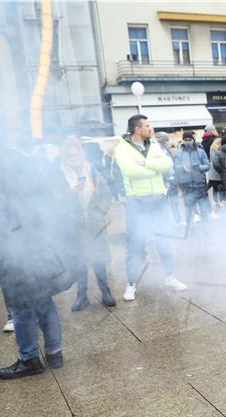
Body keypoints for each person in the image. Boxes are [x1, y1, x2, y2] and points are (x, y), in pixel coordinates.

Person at [0, 132, 81, 378]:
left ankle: (29, 359)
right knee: (43, 299)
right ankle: (54, 353)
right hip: (38, 243)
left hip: (12, 248)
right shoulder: (25, 163)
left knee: (20, 306)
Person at [115, 114, 187, 301]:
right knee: (135, 245)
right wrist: (154, 168)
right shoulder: (122, 148)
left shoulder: (153, 144)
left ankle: (170, 277)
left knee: (165, 241)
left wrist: (146, 163)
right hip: (137, 202)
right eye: (147, 125)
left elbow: (167, 164)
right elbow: (130, 171)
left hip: (158, 199)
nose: (151, 128)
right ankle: (131, 284)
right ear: (138, 129)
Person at [58, 137, 116, 312]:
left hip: (94, 223)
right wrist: (70, 193)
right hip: (73, 225)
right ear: (64, 157)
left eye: (76, 155)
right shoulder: (59, 175)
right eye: (70, 155)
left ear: (81, 155)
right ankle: (82, 295)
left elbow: (105, 193)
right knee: (79, 261)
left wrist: (99, 211)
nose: (73, 158)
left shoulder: (91, 170)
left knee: (99, 257)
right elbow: (54, 200)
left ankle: (105, 290)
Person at [174, 131, 212, 223]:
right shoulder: (179, 153)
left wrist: (199, 167)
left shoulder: (200, 152)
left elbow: (208, 165)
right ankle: (190, 228)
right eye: (185, 140)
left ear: (193, 140)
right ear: (183, 140)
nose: (188, 141)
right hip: (186, 184)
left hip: (200, 184)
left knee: (203, 207)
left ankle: (206, 226)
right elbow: (175, 167)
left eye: (190, 139)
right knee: (188, 208)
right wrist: (182, 167)